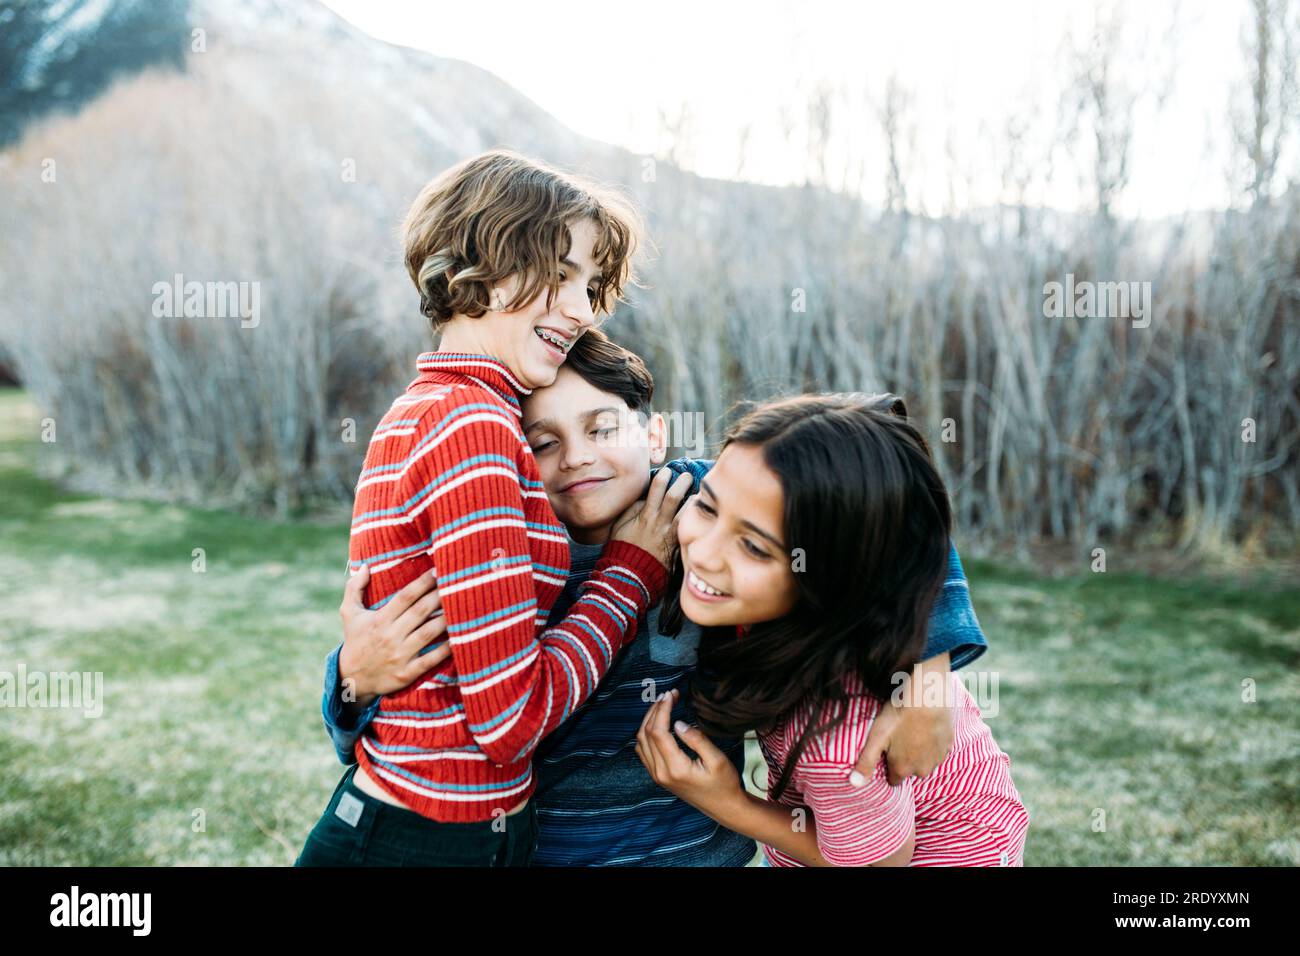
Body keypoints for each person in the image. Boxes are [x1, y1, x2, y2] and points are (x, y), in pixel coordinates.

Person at [324, 331, 991, 865]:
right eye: (541, 442)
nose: (578, 457)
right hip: (544, 848)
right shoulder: (495, 554)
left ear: (653, 434)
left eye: (602, 428)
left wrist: (926, 683)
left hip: (696, 849)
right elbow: (415, 702)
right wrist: (353, 682)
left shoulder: (704, 502)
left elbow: (890, 518)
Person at [296, 150, 690, 867]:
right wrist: (632, 573)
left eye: (591, 284)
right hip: (419, 845)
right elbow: (510, 721)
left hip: (451, 834)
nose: (583, 309)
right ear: (483, 261)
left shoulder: (449, 410)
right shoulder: (470, 427)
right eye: (560, 274)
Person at [635, 394, 1030, 866]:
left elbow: (882, 863)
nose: (704, 553)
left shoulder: (840, 734)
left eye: (756, 548)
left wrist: (727, 802)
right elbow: (879, 449)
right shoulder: (800, 531)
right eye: (708, 508)